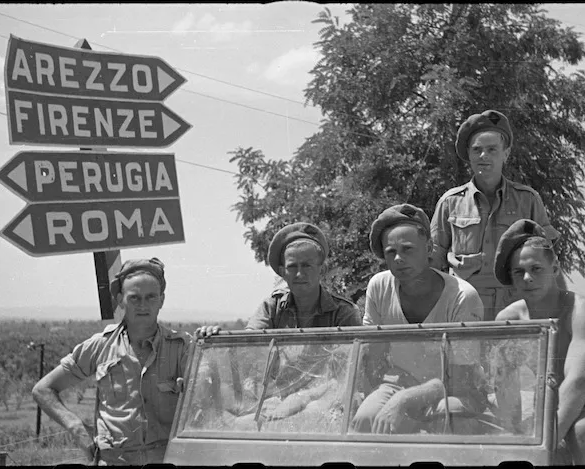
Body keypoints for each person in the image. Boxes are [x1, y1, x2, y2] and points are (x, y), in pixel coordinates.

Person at [493, 219, 585, 465]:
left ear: (555, 267)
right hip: (550, 405)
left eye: (536, 268)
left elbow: (579, 382)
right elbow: (506, 390)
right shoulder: (509, 320)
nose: (528, 277)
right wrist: (513, 436)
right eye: (519, 271)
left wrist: (543, 446)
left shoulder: (582, 311)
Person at [32, 258, 192, 466]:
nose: (143, 305)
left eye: (151, 297)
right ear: (120, 300)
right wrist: (76, 427)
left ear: (161, 300)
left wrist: (211, 338)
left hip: (167, 460)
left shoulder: (181, 347)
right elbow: (43, 389)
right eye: (134, 298)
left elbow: (211, 397)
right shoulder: (100, 346)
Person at [351, 204, 487, 434]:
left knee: (449, 416)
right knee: (366, 420)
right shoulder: (379, 286)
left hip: (455, 389)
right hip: (399, 382)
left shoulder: (463, 297)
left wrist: (404, 400)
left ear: (429, 248)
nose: (398, 259)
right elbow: (371, 353)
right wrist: (372, 396)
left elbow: (462, 378)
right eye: (390, 252)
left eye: (408, 249)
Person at [430, 109, 562, 321]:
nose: (484, 156)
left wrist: (558, 312)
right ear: (469, 156)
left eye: (492, 149)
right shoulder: (450, 203)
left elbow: (548, 261)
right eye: (477, 150)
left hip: (517, 309)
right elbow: (433, 264)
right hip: (464, 308)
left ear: (506, 154)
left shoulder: (528, 200)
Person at [197, 222, 361, 338]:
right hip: (278, 388)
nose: (299, 274)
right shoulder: (272, 308)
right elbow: (248, 340)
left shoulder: (343, 313)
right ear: (283, 272)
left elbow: (350, 369)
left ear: (322, 270)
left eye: (306, 266)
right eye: (292, 267)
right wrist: (216, 335)